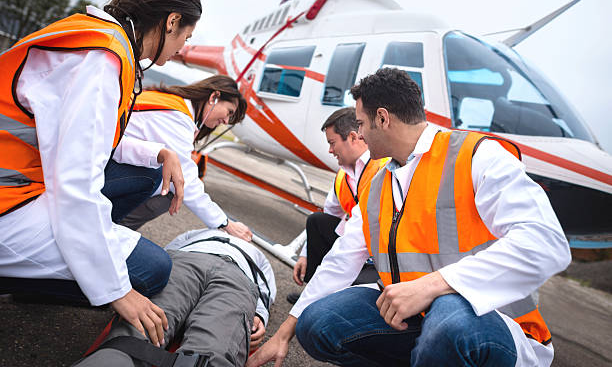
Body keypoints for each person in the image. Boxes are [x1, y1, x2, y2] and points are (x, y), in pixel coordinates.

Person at [248, 68, 571, 367]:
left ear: (383, 119)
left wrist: (432, 286)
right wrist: (285, 331)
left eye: (360, 124)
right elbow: (341, 259)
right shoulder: (379, 185)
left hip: (493, 324)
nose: (359, 133)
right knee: (317, 323)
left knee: (448, 316)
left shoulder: (477, 156)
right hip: (417, 316)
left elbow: (547, 244)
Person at [0, 0, 202, 346]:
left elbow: (87, 139)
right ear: (171, 21)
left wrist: (158, 152)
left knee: (147, 174)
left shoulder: (101, 40)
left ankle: (47, 275)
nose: (182, 49)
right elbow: (76, 183)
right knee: (152, 271)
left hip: (22, 181)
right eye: (185, 37)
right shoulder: (103, 59)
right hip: (9, 199)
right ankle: (26, 281)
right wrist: (116, 290)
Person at [72, 227, 276, 367]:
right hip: (187, 261)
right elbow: (163, 253)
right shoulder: (199, 233)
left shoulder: (258, 254)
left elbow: (266, 287)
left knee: (214, 349)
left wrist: (259, 314)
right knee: (144, 326)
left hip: (237, 275)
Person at [118, 75, 252, 241]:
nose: (226, 120)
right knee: (170, 189)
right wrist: (225, 223)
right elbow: (185, 178)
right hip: (103, 163)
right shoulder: (178, 118)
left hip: (105, 156)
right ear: (214, 97)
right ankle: (115, 230)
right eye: (229, 112)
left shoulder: (174, 102)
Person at [288, 107, 387, 303]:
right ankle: (312, 295)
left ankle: (325, 297)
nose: (330, 150)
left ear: (352, 137)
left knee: (348, 296)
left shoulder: (383, 169)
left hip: (376, 257)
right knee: (317, 222)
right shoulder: (343, 177)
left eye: (332, 143)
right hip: (356, 242)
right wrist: (305, 256)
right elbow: (330, 212)